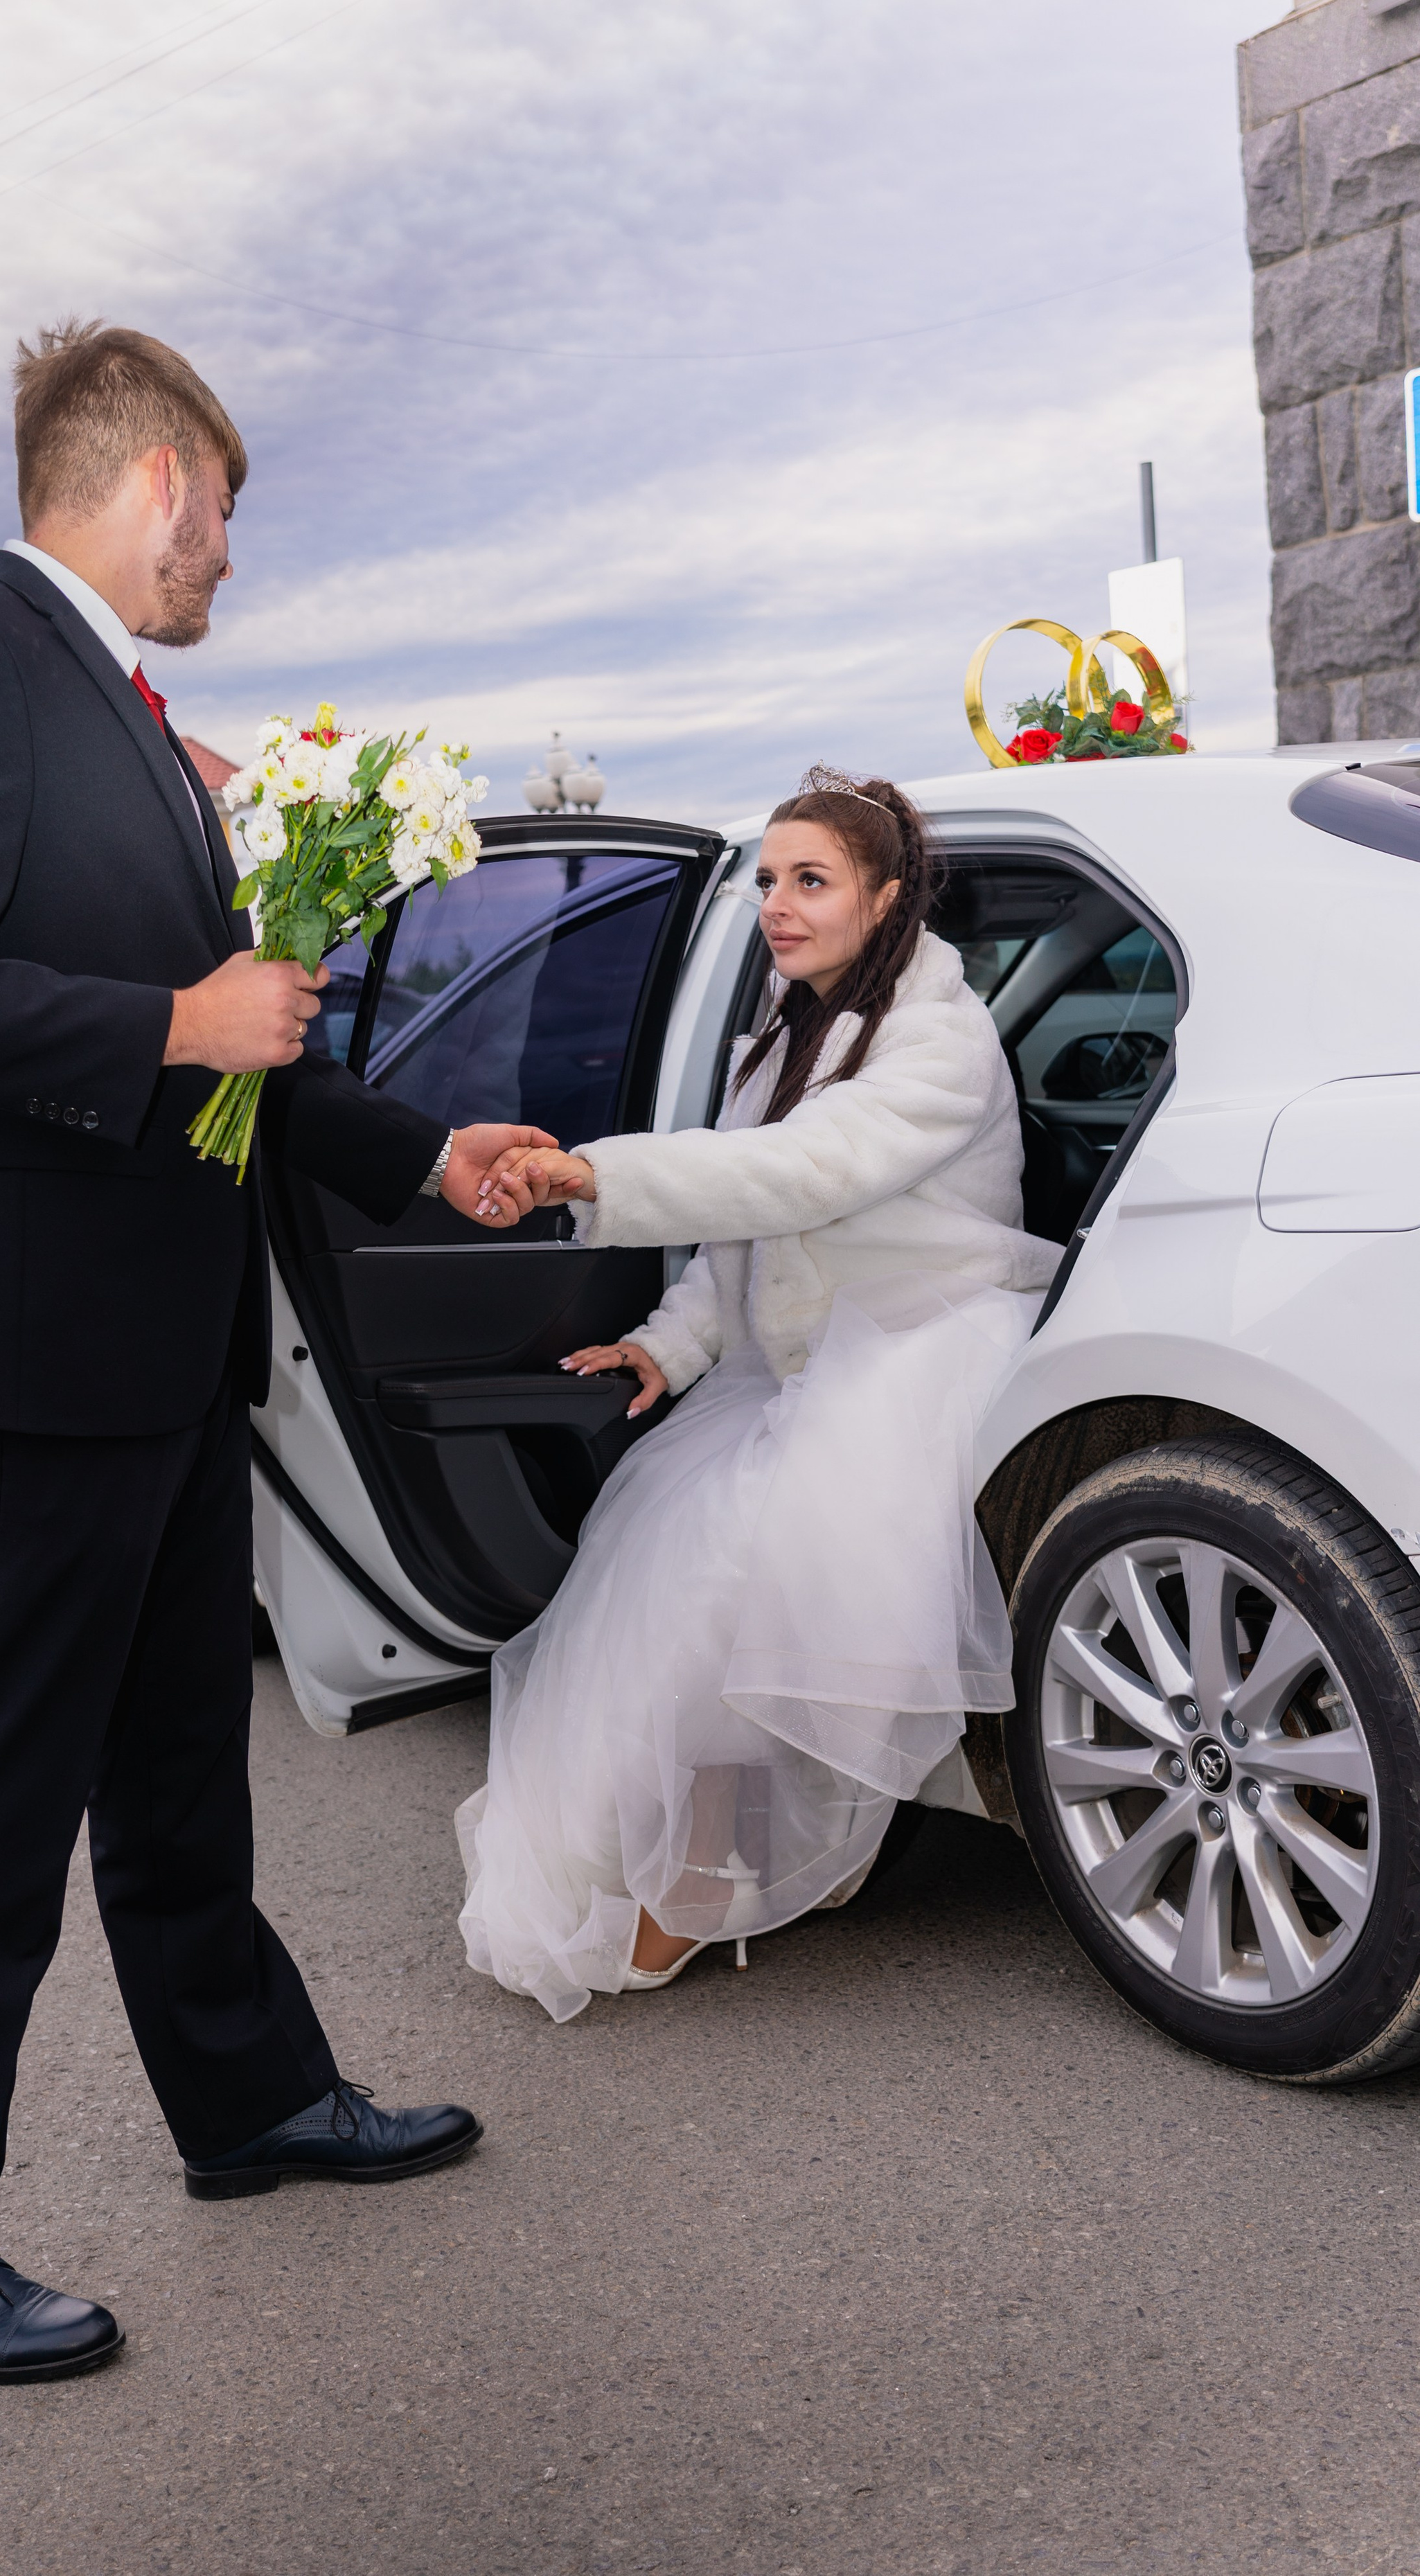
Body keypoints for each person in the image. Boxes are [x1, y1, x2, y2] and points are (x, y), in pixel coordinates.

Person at [0, 320, 552, 2384]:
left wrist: (425, 1150)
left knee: (180, 1776)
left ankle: (252, 2103)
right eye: (228, 518)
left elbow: (247, 1055)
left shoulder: (127, 724)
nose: (230, 565)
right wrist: (166, 1029)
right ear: (161, 485)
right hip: (24, 1355)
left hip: (158, 1354)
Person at [455, 769, 1064, 2023]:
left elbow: (798, 1175)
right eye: (768, 882)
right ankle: (726, 1862)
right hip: (797, 1355)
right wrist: (669, 1347)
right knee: (668, 1558)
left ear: (886, 899)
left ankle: (708, 1881)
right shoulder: (779, 1035)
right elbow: (739, 1241)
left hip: (918, 1346)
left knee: (733, 1570)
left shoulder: (939, 1041)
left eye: (812, 881)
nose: (777, 907)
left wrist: (582, 1175)